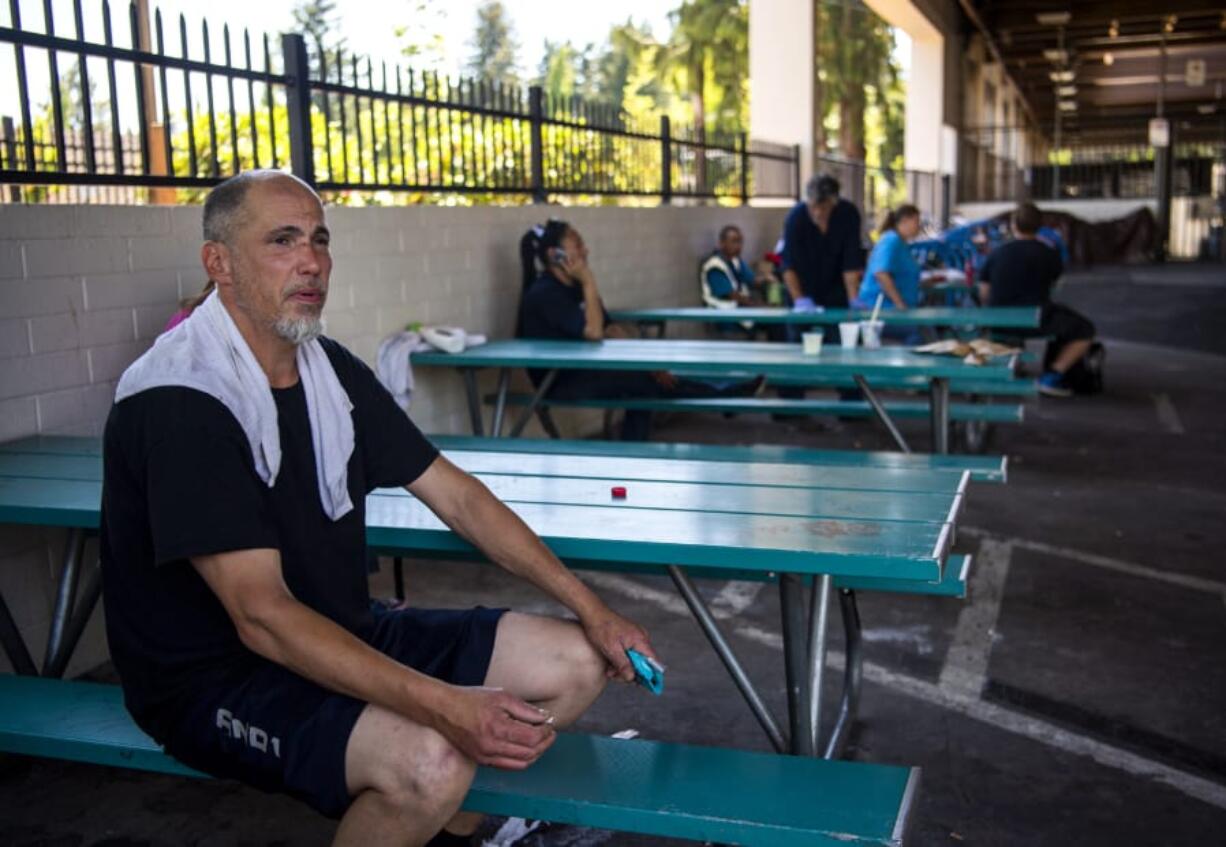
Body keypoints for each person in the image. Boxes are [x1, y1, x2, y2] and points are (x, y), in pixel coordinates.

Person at [101, 170, 659, 847]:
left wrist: (592, 606)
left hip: (341, 625)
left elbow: (458, 495)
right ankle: (429, 801)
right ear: (218, 262)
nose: (310, 261)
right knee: (430, 757)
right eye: (282, 240)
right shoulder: (181, 397)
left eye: (319, 239)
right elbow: (262, 617)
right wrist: (447, 707)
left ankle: (461, 831)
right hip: (213, 677)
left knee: (574, 659)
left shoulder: (327, 369)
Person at [519, 220, 761, 440]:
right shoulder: (546, 294)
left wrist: (645, 361)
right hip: (559, 380)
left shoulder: (576, 287)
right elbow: (593, 333)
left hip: (589, 370)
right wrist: (589, 281)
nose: (585, 251)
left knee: (650, 377)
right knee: (641, 383)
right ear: (555, 255)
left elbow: (609, 328)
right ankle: (726, 398)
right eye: (578, 245)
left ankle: (725, 397)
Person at [978, 201, 1096, 397]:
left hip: (997, 321)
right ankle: (1053, 374)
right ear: (1040, 227)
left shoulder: (997, 253)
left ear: (1014, 225)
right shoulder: (1049, 254)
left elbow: (983, 291)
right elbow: (1053, 285)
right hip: (1036, 319)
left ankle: (1011, 363)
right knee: (1084, 329)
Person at [779, 174, 865, 316]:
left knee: (838, 334)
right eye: (813, 207)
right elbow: (788, 264)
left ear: (834, 203)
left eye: (824, 207)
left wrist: (853, 297)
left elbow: (850, 261)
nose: (818, 213)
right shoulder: (795, 218)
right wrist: (799, 299)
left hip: (836, 292)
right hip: (801, 290)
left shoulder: (848, 214)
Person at [855, 204, 923, 311]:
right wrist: (900, 304)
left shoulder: (902, 244)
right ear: (905, 221)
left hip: (900, 308)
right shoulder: (891, 240)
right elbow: (881, 273)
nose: (919, 226)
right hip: (882, 309)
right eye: (916, 222)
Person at [700, 225, 756, 309]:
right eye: (734, 241)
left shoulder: (735, 260)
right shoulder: (714, 266)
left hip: (740, 311)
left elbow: (752, 280)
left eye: (740, 242)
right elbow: (731, 295)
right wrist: (756, 305)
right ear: (722, 243)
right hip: (723, 315)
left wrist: (766, 279)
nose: (738, 246)